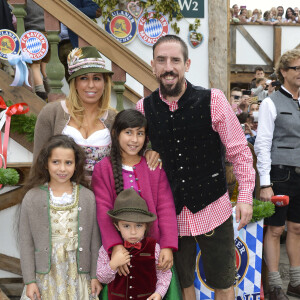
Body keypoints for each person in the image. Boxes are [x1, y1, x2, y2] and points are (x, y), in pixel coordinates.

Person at [136, 34, 255, 300]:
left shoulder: (213, 100)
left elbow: (239, 152)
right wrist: (147, 151)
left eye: (175, 60)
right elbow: (133, 150)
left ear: (187, 64)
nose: (169, 67)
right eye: (161, 60)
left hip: (213, 207)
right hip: (170, 214)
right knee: (183, 283)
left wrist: (245, 196)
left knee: (224, 281)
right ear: (153, 66)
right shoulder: (143, 108)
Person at [92, 109, 178, 272]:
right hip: (120, 255)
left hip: (154, 251)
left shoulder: (153, 167)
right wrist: (116, 247)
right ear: (116, 134)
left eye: (140, 133)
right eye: (128, 132)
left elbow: (166, 208)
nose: (134, 139)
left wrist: (167, 246)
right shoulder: (103, 169)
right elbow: (103, 211)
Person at [19, 134, 102, 300]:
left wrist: (94, 276)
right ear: (46, 164)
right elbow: (26, 243)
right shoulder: (32, 197)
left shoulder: (87, 197)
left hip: (78, 275)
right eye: (56, 162)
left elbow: (95, 241)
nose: (62, 169)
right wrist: (29, 280)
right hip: (46, 276)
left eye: (68, 163)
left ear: (76, 165)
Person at [255, 48, 300, 300]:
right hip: (279, 175)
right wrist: (265, 183)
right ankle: (273, 285)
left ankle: (295, 282)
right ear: (283, 71)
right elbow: (262, 145)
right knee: (274, 229)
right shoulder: (270, 103)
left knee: (296, 228)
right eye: (296, 68)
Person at [33, 46, 115, 180]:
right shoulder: (51, 113)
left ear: (105, 83)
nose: (91, 85)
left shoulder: (114, 119)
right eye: (83, 78)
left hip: (103, 196)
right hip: (60, 195)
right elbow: (38, 164)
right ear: (74, 83)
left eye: (96, 78)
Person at [96, 189, 172, 300]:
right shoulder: (107, 249)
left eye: (139, 225)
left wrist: (159, 293)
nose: (133, 232)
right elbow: (102, 278)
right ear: (117, 226)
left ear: (146, 225)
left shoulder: (154, 248)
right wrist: (113, 264)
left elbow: (164, 274)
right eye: (126, 226)